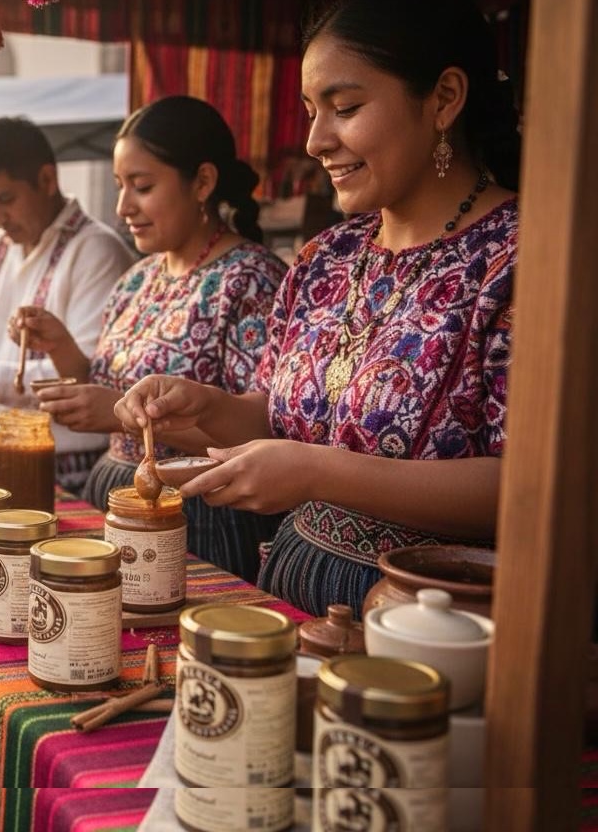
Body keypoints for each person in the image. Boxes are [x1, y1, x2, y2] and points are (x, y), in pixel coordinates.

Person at [115, 0, 519, 617]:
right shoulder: (325, 258)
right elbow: (278, 423)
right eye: (310, 112)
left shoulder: (524, 255)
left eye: (346, 108)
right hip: (290, 596)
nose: (315, 141)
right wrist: (207, 405)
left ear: (443, 98)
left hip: (431, 620)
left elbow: (528, 483)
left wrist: (317, 475)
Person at [12, 96, 289, 582]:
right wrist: (59, 346)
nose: (123, 208)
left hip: (196, 516)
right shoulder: (137, 279)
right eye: (120, 187)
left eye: (142, 187)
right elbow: (105, 386)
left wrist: (122, 413)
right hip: (114, 494)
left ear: (202, 182)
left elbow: (262, 430)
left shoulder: (251, 280)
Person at [0, 116, 136, 490]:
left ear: (47, 180)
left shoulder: (97, 250)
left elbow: (90, 373)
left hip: (75, 469)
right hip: (3, 456)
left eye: (5, 200)